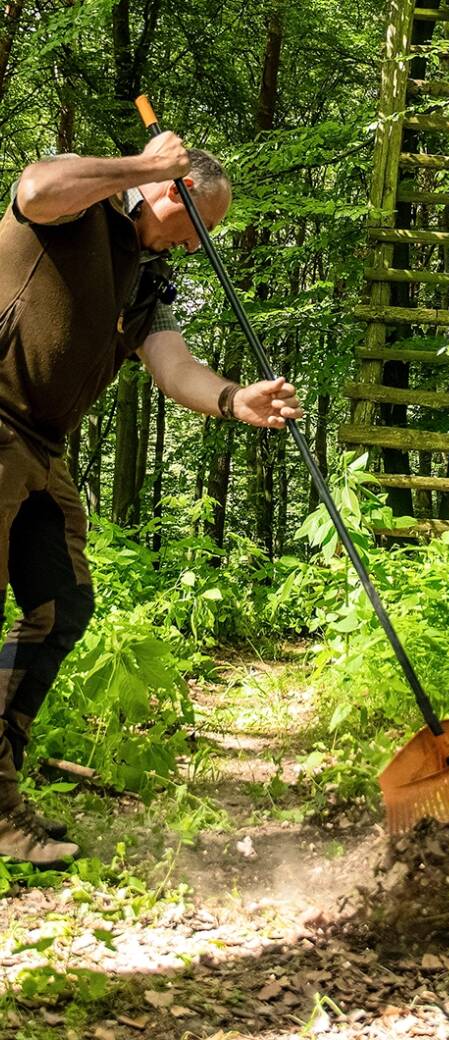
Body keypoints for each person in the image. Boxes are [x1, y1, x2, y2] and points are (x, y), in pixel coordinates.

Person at [0, 131, 303, 868]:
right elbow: (35, 187)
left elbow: (173, 364)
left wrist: (235, 399)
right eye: (199, 228)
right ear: (170, 192)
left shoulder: (144, 271)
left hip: (40, 447)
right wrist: (141, 166)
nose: (199, 248)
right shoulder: (81, 207)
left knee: (60, 604)